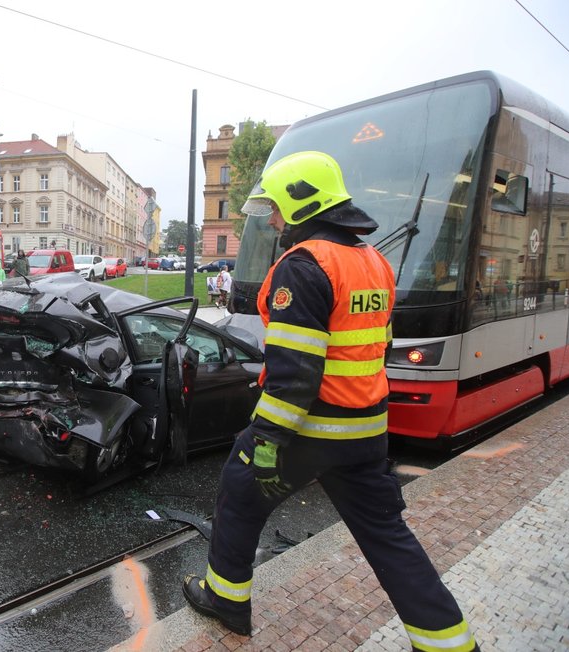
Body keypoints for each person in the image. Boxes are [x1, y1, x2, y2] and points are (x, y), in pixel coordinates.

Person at [182, 151, 479, 651]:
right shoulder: (374, 262)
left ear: (301, 203)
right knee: (387, 537)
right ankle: (449, 643)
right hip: (366, 432)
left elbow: (296, 375)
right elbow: (376, 349)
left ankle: (226, 600)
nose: (272, 218)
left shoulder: (303, 266)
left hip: (311, 431)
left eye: (275, 206)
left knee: (239, 486)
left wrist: (268, 441)